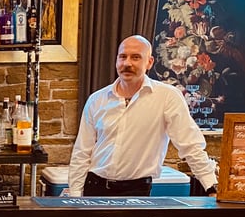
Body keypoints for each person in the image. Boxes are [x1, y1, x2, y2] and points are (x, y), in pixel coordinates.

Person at [67, 34, 217, 197]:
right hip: (94, 187)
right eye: (122, 57)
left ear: (149, 62)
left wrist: (211, 187)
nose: (127, 63)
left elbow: (190, 146)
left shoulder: (167, 97)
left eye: (136, 57)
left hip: (136, 190)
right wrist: (75, 194)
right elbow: (82, 152)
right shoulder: (97, 99)